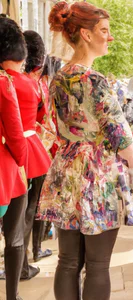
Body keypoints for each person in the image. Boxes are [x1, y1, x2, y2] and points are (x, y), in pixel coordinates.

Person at [37, 2, 133, 300]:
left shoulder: (58, 78)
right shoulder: (94, 80)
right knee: (98, 266)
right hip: (98, 176)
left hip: (66, 172)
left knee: (67, 262)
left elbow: (53, 126)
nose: (110, 38)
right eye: (104, 31)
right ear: (85, 34)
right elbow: (121, 136)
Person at [0, 16, 28, 300]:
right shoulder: (3, 83)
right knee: (14, 237)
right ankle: (12, 295)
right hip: (4, 173)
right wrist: (21, 162)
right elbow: (16, 134)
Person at [23, 30, 54, 263]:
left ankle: (24, 254)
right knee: (33, 205)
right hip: (37, 149)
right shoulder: (38, 86)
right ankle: (32, 251)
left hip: (17, 150)